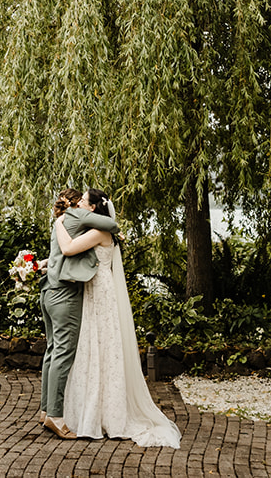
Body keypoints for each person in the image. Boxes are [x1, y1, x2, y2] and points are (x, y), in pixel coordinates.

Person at [51, 188, 181, 448]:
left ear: (93, 208)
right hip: (97, 288)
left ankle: (101, 415)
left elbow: (68, 249)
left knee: (100, 347)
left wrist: (58, 222)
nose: (79, 206)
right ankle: (93, 410)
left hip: (98, 291)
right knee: (94, 346)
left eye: (83, 202)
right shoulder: (100, 230)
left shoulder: (98, 232)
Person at [38, 188, 116, 438]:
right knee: (62, 353)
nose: (81, 203)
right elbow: (72, 249)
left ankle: (45, 410)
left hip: (49, 291)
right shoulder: (76, 220)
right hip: (66, 294)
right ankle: (55, 416)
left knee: (52, 351)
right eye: (79, 200)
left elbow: (63, 255)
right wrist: (116, 231)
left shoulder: (70, 224)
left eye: (84, 200)